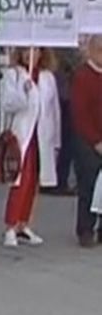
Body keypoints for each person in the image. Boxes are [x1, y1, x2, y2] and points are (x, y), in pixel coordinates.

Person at [0, 47, 61, 248]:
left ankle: (23, 223)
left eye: (34, 50)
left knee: (34, 182)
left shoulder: (47, 78)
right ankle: (10, 225)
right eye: (26, 50)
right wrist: (23, 93)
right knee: (19, 182)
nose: (29, 54)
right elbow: (8, 104)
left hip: (41, 137)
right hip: (22, 136)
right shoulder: (14, 75)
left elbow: (53, 110)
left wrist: (56, 140)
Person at [71, 35, 102, 248]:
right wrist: (96, 140)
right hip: (87, 141)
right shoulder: (83, 76)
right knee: (88, 185)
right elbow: (80, 114)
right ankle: (85, 229)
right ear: (91, 51)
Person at [49, 46, 81, 196]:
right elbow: (74, 65)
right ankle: (59, 180)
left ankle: (57, 179)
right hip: (65, 96)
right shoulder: (65, 47)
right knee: (67, 142)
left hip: (63, 95)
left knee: (63, 141)